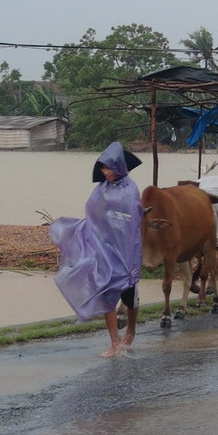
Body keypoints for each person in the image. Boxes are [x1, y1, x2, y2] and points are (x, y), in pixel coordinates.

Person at [49, 142, 143, 358]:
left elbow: (132, 221)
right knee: (105, 294)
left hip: (127, 251)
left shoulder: (131, 190)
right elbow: (93, 216)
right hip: (103, 251)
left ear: (119, 165)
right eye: (103, 168)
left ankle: (131, 331)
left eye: (110, 167)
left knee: (129, 295)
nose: (107, 172)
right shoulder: (100, 189)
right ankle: (114, 342)